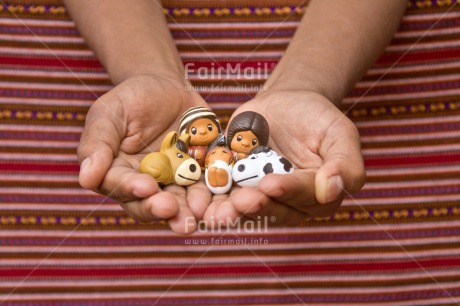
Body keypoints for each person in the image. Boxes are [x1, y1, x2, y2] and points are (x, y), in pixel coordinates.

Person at [64, 0, 407, 235]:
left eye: (217, 133)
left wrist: (305, 84)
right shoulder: (198, 149)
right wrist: (145, 71)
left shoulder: (238, 151)